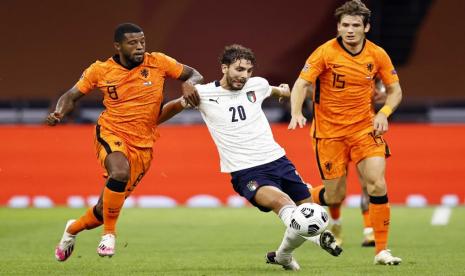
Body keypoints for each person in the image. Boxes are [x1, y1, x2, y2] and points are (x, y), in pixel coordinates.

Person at [158, 44, 342, 271]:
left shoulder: (258, 85)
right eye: (239, 69)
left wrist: (285, 92)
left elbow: (277, 90)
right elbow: (173, 107)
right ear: (224, 68)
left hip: (279, 161)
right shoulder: (204, 94)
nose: (244, 76)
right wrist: (152, 121)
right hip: (247, 171)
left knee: (308, 211)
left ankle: (283, 256)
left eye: (248, 70)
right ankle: (317, 239)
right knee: (284, 204)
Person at [48, 23, 203, 261]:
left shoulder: (158, 62)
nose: (140, 46)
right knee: (119, 173)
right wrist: (59, 113)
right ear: (118, 46)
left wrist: (189, 83)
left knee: (103, 210)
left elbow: (195, 73)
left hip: (143, 143)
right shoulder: (100, 70)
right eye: (133, 43)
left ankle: (72, 229)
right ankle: (109, 235)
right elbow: (71, 96)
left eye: (142, 41)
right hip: (111, 131)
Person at [288, 0, 403, 265]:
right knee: (335, 196)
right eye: (345, 25)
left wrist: (383, 113)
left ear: (366, 27)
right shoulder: (324, 53)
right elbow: (301, 84)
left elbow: (395, 90)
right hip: (329, 134)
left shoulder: (377, 55)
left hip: (365, 129)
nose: (349, 30)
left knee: (377, 183)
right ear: (338, 27)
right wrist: (296, 112)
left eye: (355, 25)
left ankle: (381, 250)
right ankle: (302, 195)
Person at [326, 79, 387, 247]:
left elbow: (387, 91)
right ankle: (336, 226)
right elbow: (312, 92)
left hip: (363, 132)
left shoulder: (370, 67)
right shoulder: (330, 70)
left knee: (369, 184)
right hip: (334, 134)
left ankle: (370, 231)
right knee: (335, 189)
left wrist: (382, 95)